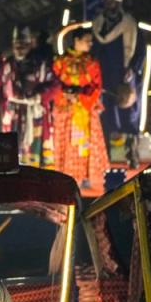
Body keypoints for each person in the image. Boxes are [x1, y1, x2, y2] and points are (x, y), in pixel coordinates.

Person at [92, 0, 147, 168]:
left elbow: (141, 50)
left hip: (126, 77)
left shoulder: (130, 23)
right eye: (107, 2)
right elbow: (94, 50)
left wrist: (133, 69)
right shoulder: (98, 25)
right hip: (105, 76)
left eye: (113, 2)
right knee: (106, 116)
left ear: (118, 4)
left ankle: (132, 155)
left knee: (129, 117)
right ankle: (106, 156)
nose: (110, 5)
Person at [53, 26, 109, 190]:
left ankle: (86, 176)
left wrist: (80, 96)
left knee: (86, 145)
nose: (90, 44)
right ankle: (67, 177)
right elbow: (54, 83)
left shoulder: (91, 63)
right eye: (87, 40)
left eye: (91, 41)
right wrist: (64, 94)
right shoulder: (60, 61)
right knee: (68, 144)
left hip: (85, 110)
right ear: (76, 41)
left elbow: (97, 86)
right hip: (66, 110)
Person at [0, 25, 56, 168]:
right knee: (11, 148)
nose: (20, 49)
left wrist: (39, 95)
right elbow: (0, 85)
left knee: (34, 147)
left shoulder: (40, 63)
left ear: (30, 45)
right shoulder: (8, 64)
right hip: (13, 113)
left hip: (34, 111)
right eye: (17, 45)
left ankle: (35, 176)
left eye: (23, 45)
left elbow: (53, 83)